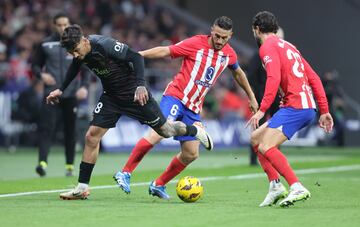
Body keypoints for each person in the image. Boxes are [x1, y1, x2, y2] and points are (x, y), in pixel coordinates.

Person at [46, 24, 213, 200]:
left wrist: (141, 85)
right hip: (111, 97)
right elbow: (75, 66)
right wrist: (61, 89)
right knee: (91, 136)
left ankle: (194, 130)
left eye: (76, 50)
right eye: (71, 52)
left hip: (135, 94)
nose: (75, 55)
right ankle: (82, 188)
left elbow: (136, 57)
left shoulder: (104, 45)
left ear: (84, 41)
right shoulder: (80, 53)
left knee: (166, 131)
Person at [113, 16, 258, 199]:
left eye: (224, 38)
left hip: (193, 108)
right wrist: (138, 55)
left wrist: (251, 97)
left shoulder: (229, 54)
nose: (220, 41)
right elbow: (166, 51)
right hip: (175, 97)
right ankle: (125, 172)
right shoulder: (195, 43)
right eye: (217, 36)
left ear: (231, 36)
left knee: (191, 153)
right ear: (211, 30)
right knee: (159, 132)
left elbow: (238, 73)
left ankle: (158, 184)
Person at [247, 11, 334, 207]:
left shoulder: (266, 47)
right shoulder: (290, 46)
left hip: (295, 106)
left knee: (266, 146)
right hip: (304, 106)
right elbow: (314, 78)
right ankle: (275, 186)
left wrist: (262, 109)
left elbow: (273, 77)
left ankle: (296, 186)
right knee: (255, 139)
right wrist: (324, 110)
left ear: (256, 29)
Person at [31, 13, 91, 177]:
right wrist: (41, 75)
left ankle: (69, 165)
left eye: (66, 24)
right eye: (60, 24)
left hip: (71, 94)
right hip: (50, 93)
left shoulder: (76, 43)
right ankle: (42, 164)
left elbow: (85, 68)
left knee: (70, 130)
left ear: (69, 24)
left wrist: (84, 87)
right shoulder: (45, 44)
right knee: (46, 128)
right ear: (54, 25)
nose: (63, 27)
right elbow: (35, 65)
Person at [246, 27, 284, 166]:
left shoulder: (278, 54)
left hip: (277, 97)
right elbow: (251, 75)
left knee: (277, 126)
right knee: (258, 126)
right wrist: (258, 92)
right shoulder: (259, 55)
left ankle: (274, 154)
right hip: (263, 96)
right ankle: (254, 157)